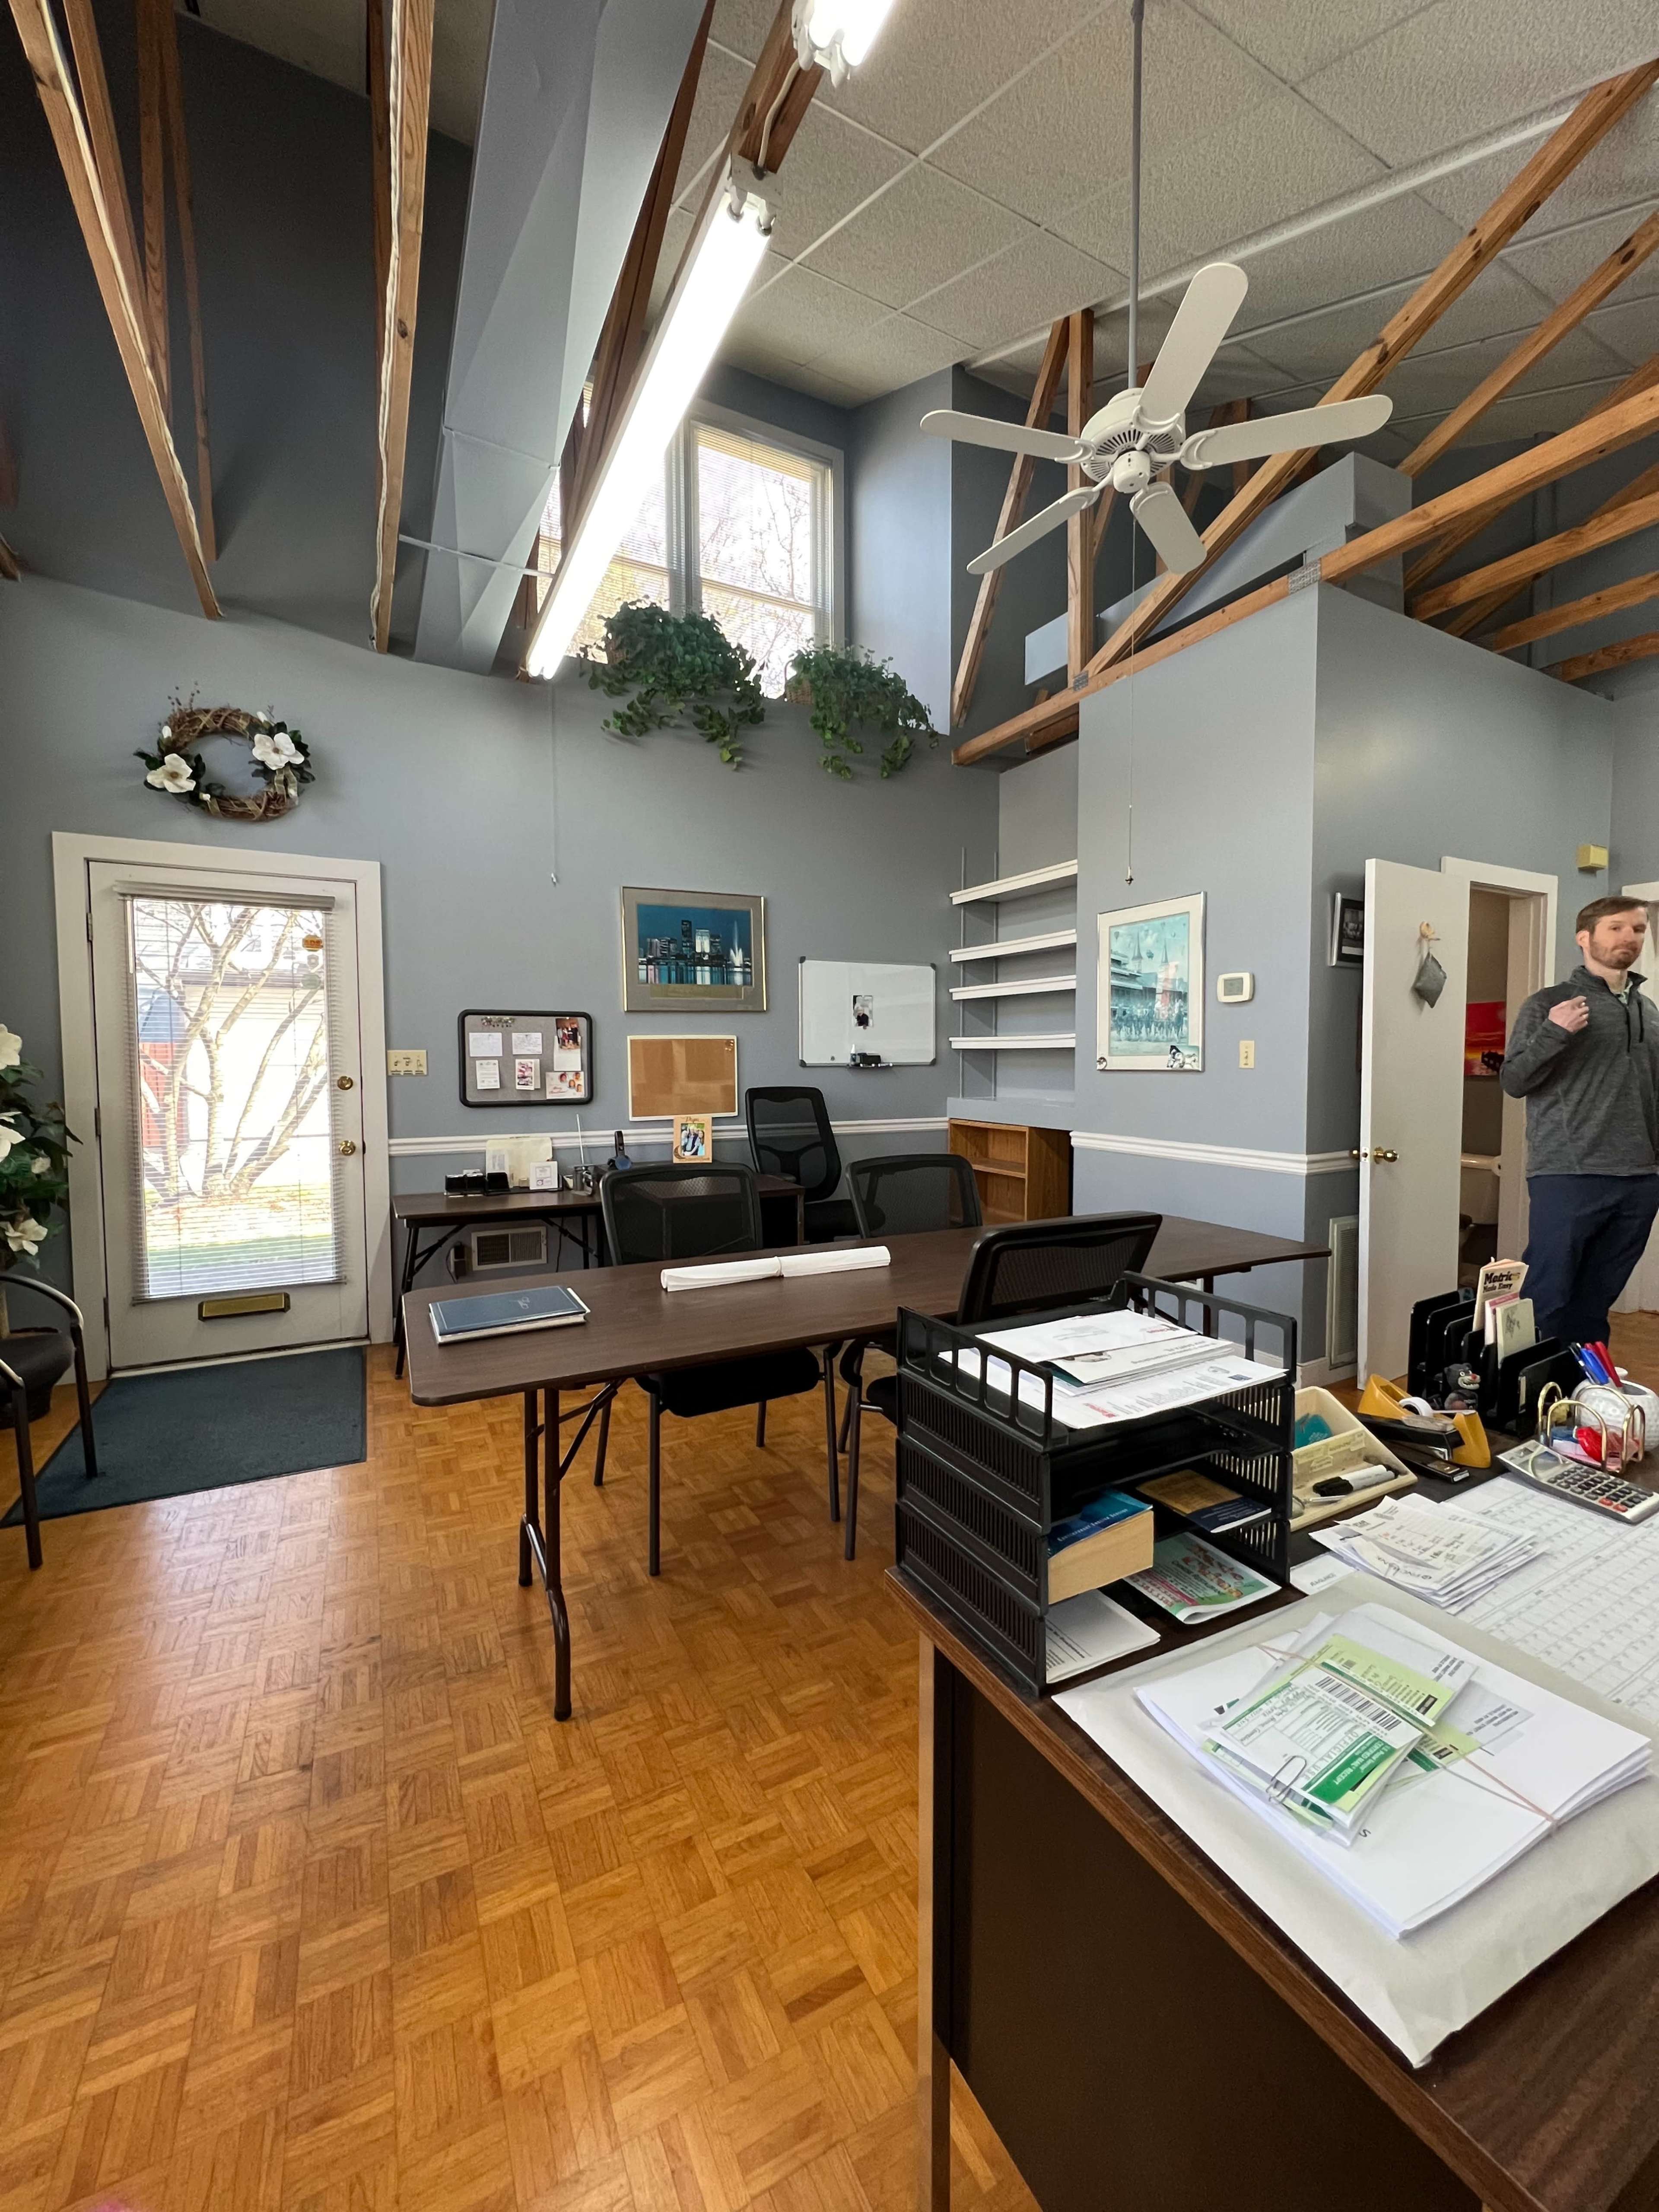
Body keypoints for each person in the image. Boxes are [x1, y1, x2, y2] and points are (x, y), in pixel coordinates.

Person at [1500, 895, 1659, 1346]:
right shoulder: (1549, 1003)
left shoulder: (1648, 1011)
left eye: (1638, 928)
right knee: (1546, 1297)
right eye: (1616, 927)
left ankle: (1583, 1399)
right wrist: (1556, 1032)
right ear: (1584, 937)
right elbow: (1514, 1080)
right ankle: (1525, 1401)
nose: (1629, 937)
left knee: (1596, 1300)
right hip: (1568, 1174)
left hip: (1639, 1179)